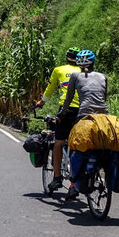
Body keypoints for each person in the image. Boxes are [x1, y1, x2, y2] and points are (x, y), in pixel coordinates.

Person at [58, 49, 108, 199]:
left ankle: (73, 184)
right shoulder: (103, 76)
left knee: (74, 144)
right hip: (104, 116)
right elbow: (103, 98)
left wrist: (61, 114)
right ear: (93, 62)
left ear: (78, 64)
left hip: (84, 116)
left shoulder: (75, 75)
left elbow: (69, 98)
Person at [35, 46, 81, 193]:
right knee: (77, 144)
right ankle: (75, 184)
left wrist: (41, 102)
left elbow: (50, 89)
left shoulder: (59, 70)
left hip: (66, 110)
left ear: (67, 58)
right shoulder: (84, 72)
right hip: (83, 110)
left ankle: (57, 177)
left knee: (58, 143)